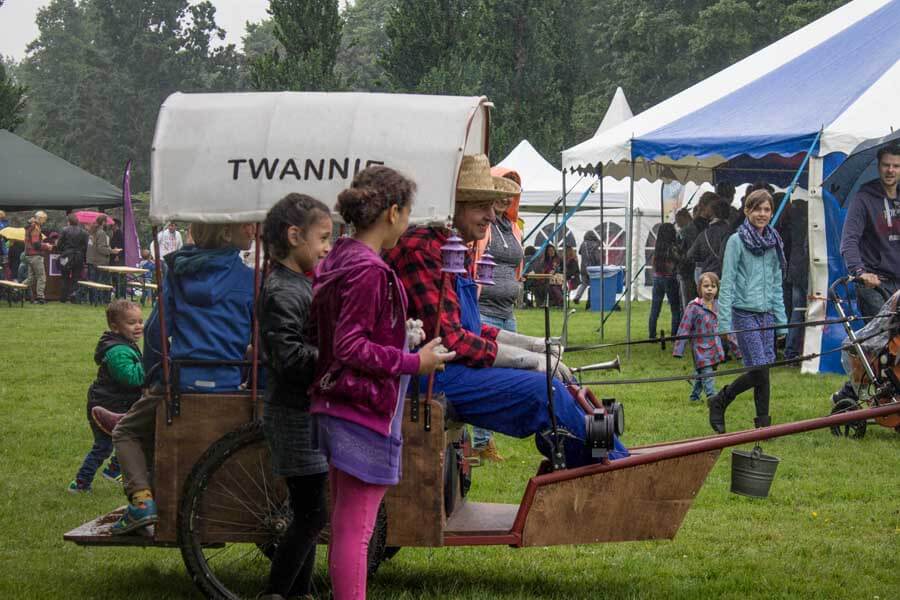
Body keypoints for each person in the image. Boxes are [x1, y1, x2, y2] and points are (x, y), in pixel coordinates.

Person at [385, 154, 626, 468]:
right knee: (548, 391)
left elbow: (471, 328)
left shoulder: (453, 246)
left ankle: (608, 460)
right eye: (480, 206)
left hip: (454, 368)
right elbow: (452, 340)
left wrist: (535, 345)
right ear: (452, 205)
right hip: (431, 376)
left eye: (492, 206)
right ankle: (611, 466)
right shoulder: (424, 248)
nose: (491, 216)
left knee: (568, 386)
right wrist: (531, 361)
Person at [310, 167, 454, 600]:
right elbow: (350, 346)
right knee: (356, 530)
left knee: (346, 525)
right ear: (392, 212)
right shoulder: (370, 270)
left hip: (336, 405)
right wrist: (414, 361)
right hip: (361, 412)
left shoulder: (340, 258)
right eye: (407, 214)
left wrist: (399, 336)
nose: (407, 224)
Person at [108, 221, 257, 534]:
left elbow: (155, 331)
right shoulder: (250, 279)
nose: (253, 229)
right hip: (228, 385)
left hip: (182, 382)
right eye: (247, 224)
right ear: (226, 233)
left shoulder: (177, 274)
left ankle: (141, 501)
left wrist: (152, 379)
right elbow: (258, 339)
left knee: (125, 431)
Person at [257, 194, 334, 600]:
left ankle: (298, 594)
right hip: (293, 414)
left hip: (304, 411)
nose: (327, 247)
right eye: (323, 238)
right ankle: (276, 593)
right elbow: (288, 357)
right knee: (312, 514)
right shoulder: (282, 290)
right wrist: (336, 356)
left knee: (309, 513)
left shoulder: (297, 283)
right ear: (294, 236)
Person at [709, 190, 787, 433]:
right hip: (743, 313)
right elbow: (728, 282)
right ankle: (721, 399)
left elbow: (776, 284)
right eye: (757, 209)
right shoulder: (736, 241)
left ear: (771, 213)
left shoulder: (774, 242)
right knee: (760, 369)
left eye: (767, 209)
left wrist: (781, 322)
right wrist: (723, 323)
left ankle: (763, 427)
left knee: (763, 371)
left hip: (767, 314)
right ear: (746, 211)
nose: (762, 214)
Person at [832, 144, 900, 404]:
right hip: (875, 283)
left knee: (895, 347)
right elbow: (848, 241)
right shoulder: (865, 196)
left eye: (896, 165)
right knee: (881, 344)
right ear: (878, 166)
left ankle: (870, 396)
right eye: (886, 165)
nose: (891, 170)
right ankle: (853, 394)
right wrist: (860, 272)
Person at [472, 168, 524, 462]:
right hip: (484, 311)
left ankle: (484, 437)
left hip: (506, 312)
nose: (506, 197)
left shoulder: (512, 228)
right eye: (501, 190)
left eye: (511, 192)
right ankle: (481, 441)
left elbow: (515, 265)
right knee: (485, 377)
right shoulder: (484, 225)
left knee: (507, 374)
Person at [68, 300, 144, 493]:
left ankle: (114, 469)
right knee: (103, 446)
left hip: (118, 403)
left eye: (140, 321)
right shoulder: (117, 351)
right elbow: (131, 378)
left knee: (131, 436)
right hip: (104, 406)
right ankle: (81, 483)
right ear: (115, 327)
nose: (138, 326)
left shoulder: (126, 344)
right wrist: (149, 365)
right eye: (132, 322)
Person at [673, 272, 736, 403]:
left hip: (715, 348)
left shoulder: (719, 306)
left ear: (717, 289)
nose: (709, 289)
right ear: (699, 288)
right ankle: (713, 398)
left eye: (713, 286)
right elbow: (684, 328)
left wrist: (737, 350)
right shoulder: (693, 307)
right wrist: (678, 350)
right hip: (700, 349)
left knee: (703, 372)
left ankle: (694, 397)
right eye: (706, 286)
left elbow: (728, 329)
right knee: (707, 373)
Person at [783, 200, 809, 360]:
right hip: (806, 270)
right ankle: (796, 350)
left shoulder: (791, 225)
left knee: (796, 311)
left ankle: (791, 351)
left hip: (794, 270)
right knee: (803, 311)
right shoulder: (808, 225)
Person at [648, 223, 682, 339]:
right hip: (670, 278)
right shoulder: (672, 247)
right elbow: (678, 260)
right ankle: (674, 335)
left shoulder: (658, 247)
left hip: (657, 278)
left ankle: (652, 335)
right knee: (675, 309)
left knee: (655, 309)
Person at [686, 197, 730, 278]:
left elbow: (690, 255)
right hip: (727, 274)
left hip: (707, 274)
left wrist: (705, 258)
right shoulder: (733, 233)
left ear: (713, 213)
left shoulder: (704, 234)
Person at [56, 213, 89, 303]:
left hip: (66, 255)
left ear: (69, 221)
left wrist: (62, 252)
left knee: (64, 276)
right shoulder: (84, 232)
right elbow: (86, 246)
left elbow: (59, 244)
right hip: (78, 257)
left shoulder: (64, 230)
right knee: (76, 277)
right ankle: (73, 297)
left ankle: (63, 297)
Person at [85, 216, 118, 304]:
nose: (107, 224)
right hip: (100, 262)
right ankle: (104, 300)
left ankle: (93, 300)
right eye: (106, 222)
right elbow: (101, 248)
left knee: (93, 281)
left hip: (91, 260)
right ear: (103, 222)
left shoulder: (92, 232)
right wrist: (112, 251)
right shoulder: (101, 233)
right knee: (103, 282)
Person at [23, 210, 50, 303]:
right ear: (40, 218)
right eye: (44, 219)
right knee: (41, 276)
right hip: (35, 255)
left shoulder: (31, 225)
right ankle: (40, 297)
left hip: (29, 254)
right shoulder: (35, 227)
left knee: (32, 277)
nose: (44, 221)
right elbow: (36, 244)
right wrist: (46, 246)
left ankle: (16, 290)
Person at [573, 230, 602, 306]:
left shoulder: (583, 244)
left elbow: (579, 252)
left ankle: (577, 297)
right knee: (593, 284)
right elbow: (597, 258)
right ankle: (591, 301)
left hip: (583, 267)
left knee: (584, 284)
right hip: (593, 268)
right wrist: (600, 265)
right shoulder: (595, 245)